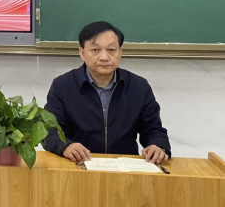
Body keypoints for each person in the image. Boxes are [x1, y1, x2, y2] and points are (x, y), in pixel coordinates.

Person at [43, 21, 171, 164]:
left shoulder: (139, 87)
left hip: (124, 168)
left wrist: (158, 146)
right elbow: (48, 131)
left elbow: (153, 130)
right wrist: (65, 146)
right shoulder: (63, 86)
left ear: (120, 52)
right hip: (78, 165)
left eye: (111, 50)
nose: (104, 57)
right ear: (82, 53)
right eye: (95, 50)